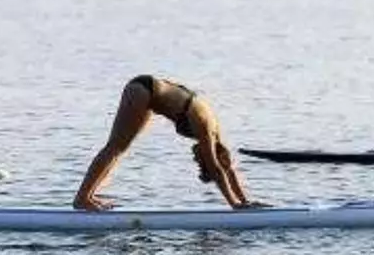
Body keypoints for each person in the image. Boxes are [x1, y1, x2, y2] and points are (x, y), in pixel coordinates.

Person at [74, 75, 253, 211]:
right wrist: (234, 204)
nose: (195, 158)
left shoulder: (217, 139)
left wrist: (245, 201)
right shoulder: (207, 131)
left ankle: (88, 196)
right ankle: (82, 198)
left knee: (119, 149)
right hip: (144, 91)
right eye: (200, 160)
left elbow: (226, 167)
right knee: (115, 147)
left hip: (147, 92)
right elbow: (216, 168)